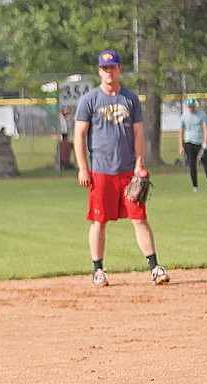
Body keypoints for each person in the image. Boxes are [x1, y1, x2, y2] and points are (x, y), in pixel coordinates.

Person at [73, 49, 169, 287]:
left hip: (128, 172)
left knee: (139, 218)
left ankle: (154, 268)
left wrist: (139, 164)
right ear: (99, 71)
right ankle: (98, 270)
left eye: (112, 67)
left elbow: (138, 133)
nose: (109, 72)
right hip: (101, 170)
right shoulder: (90, 100)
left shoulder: (130, 98)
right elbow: (79, 135)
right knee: (99, 221)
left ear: (119, 70)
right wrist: (83, 168)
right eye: (105, 68)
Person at [178, 98, 207, 193]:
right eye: (189, 107)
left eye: (192, 106)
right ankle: (195, 186)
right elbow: (181, 132)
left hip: (200, 143)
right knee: (192, 165)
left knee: (206, 164)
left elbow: (206, 129)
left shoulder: (202, 115)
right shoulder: (184, 117)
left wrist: (205, 143)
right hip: (189, 143)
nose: (191, 108)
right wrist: (181, 146)